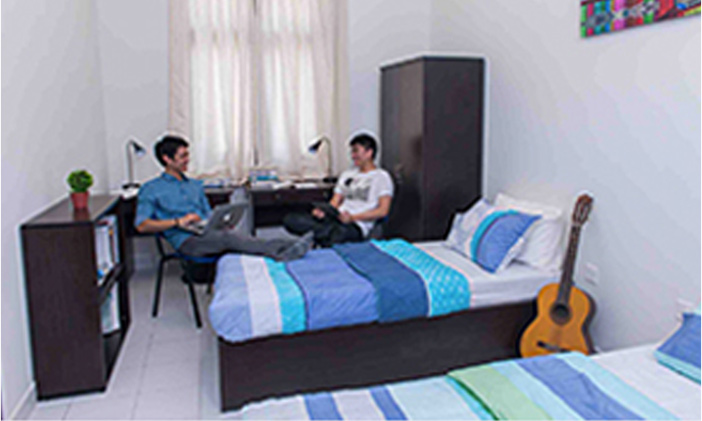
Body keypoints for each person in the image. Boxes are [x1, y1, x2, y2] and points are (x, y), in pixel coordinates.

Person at [135, 135, 312, 261]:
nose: (187, 160)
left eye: (187, 155)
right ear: (167, 159)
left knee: (233, 235)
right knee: (228, 239)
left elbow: (207, 213)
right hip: (185, 241)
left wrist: (220, 222)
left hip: (206, 233)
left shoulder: (195, 185)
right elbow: (142, 225)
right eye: (183, 156)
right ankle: (286, 247)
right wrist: (177, 222)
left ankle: (285, 249)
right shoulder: (151, 189)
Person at [283, 133, 393, 247]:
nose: (352, 156)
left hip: (355, 224)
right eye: (352, 152)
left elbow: (383, 211)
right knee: (291, 219)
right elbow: (335, 202)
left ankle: (318, 237)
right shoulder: (347, 174)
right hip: (335, 218)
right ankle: (324, 236)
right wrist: (324, 212)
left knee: (340, 233)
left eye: (356, 151)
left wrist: (352, 218)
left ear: (369, 152)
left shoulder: (381, 177)